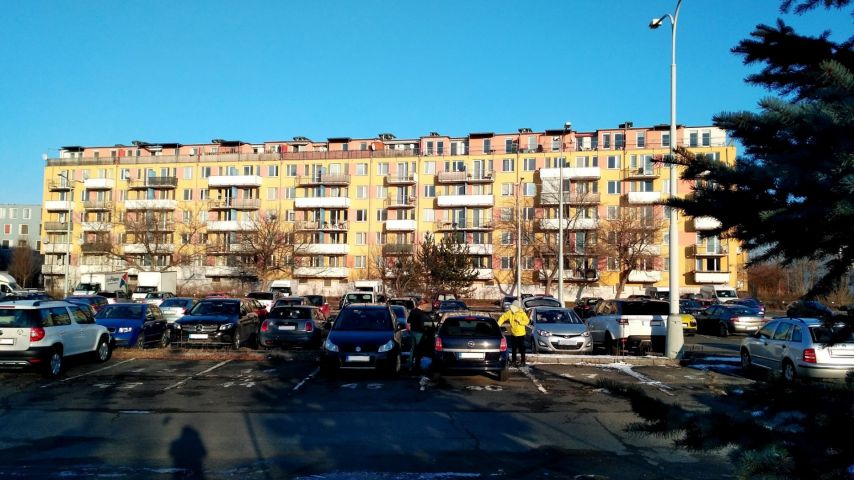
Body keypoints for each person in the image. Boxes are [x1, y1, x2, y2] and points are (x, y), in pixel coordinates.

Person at [497, 300, 530, 367]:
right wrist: (498, 325)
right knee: (514, 348)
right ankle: (513, 361)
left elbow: (527, 321)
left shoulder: (522, 313)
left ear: (517, 307)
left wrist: (520, 321)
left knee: (521, 348)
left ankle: (523, 362)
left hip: (521, 334)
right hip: (513, 334)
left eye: (514, 307)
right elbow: (503, 317)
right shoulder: (510, 313)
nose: (512, 309)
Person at [408, 298, 433, 370]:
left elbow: (408, 321)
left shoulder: (413, 311)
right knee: (419, 350)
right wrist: (431, 325)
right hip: (419, 333)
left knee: (412, 349)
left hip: (412, 332)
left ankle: (410, 366)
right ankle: (417, 366)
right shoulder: (422, 313)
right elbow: (425, 324)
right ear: (423, 304)